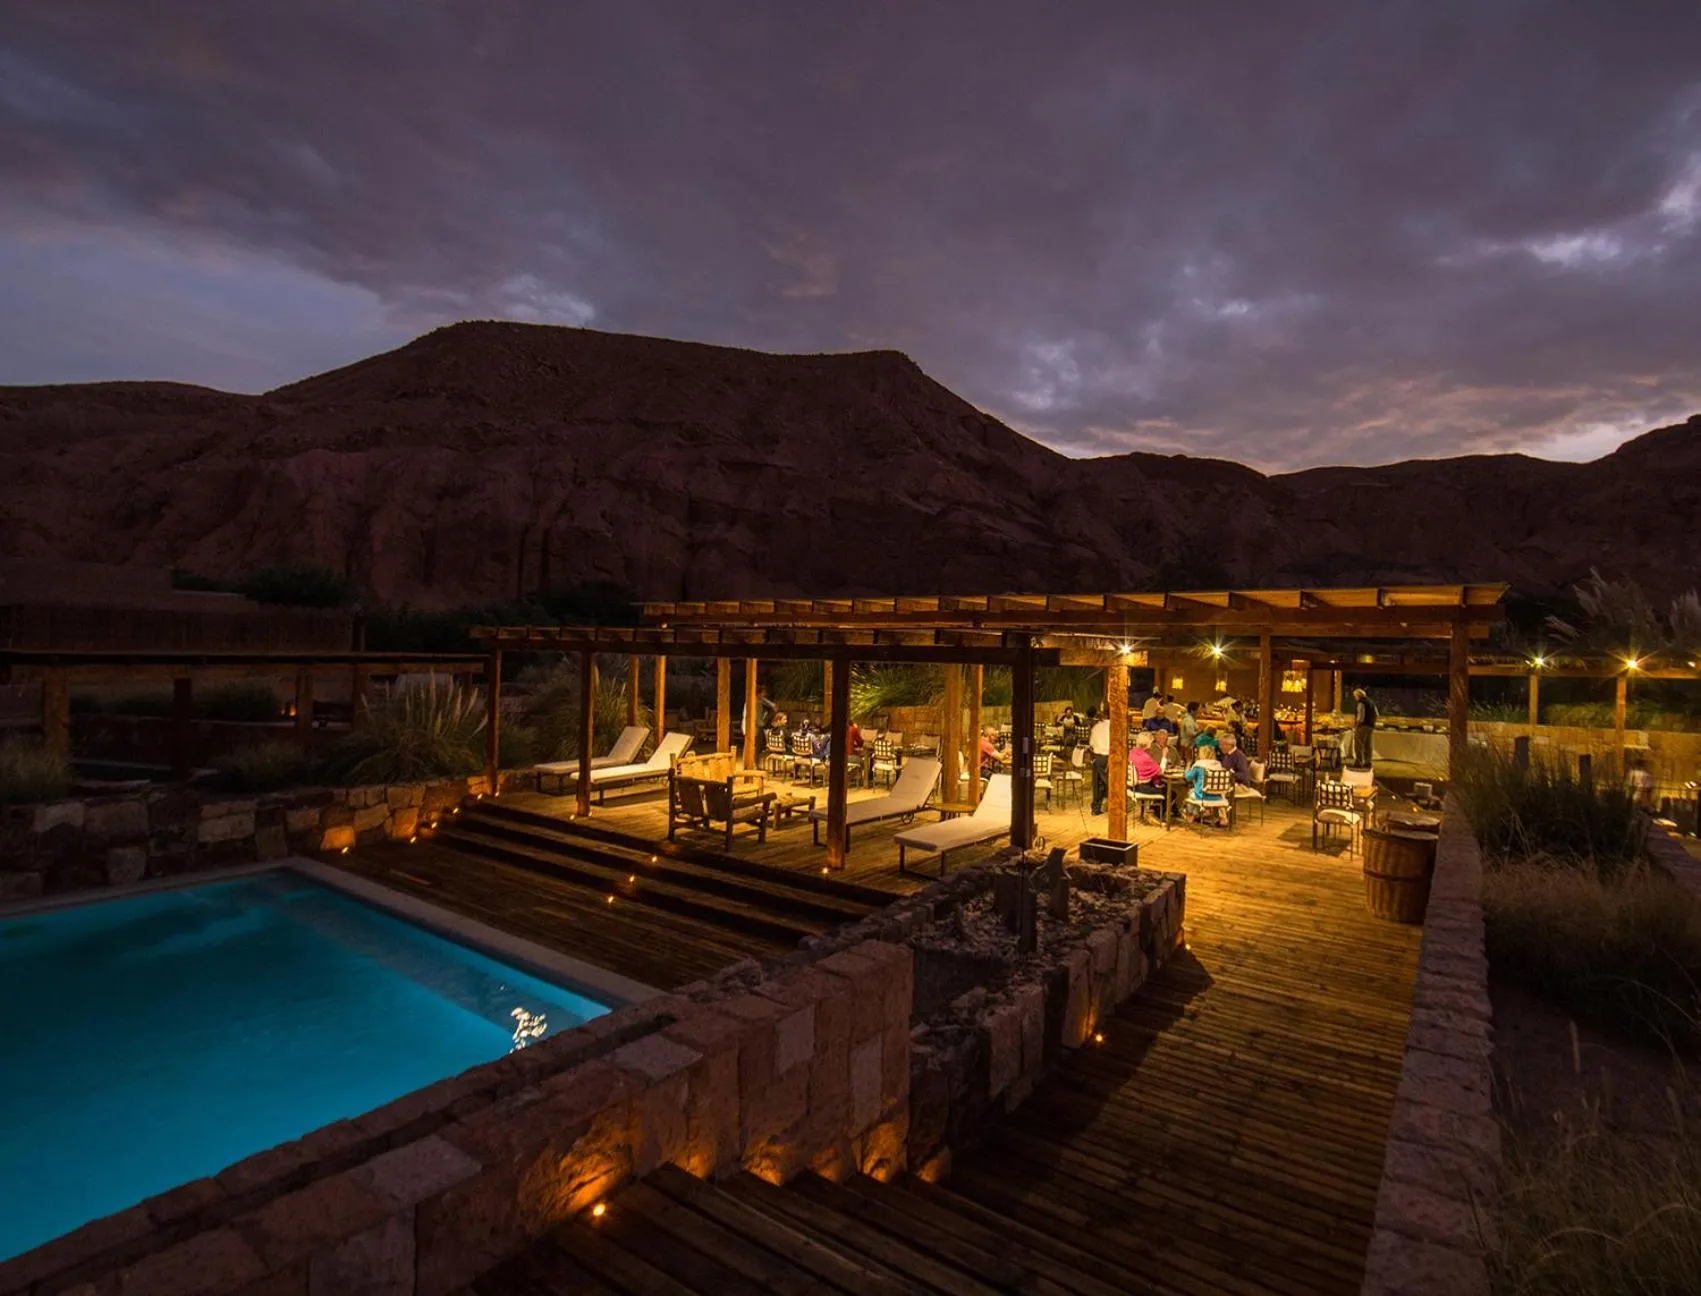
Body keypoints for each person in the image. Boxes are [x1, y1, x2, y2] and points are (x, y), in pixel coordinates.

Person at [1130, 734, 1166, 816]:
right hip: (1143, 787)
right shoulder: (1145, 757)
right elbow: (1160, 772)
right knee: (1168, 792)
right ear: (1147, 744)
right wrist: (1164, 756)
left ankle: (1152, 812)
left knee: (1165, 789)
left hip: (1133, 787)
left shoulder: (1132, 752)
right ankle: (1152, 814)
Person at [1088, 706, 1110, 814]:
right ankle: (1114, 805)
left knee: (1096, 784)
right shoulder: (1114, 727)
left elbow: (1091, 744)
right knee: (1109, 782)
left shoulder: (1095, 727)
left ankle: (1096, 808)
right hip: (1110, 757)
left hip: (1097, 757)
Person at [1351, 688, 1378, 768]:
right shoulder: (1371, 702)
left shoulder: (1361, 703)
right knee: (1368, 745)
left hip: (1362, 726)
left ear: (1358, 695)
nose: (1355, 698)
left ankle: (1359, 762)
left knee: (1359, 745)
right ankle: (1368, 762)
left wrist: (1356, 726)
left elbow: (1360, 717)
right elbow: (1376, 714)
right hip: (1370, 726)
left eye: (1355, 696)